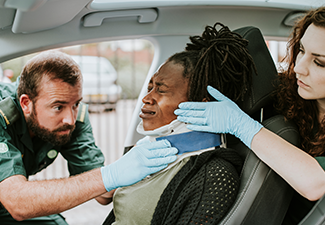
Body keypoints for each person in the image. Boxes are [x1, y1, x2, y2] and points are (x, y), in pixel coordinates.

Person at [175, 7, 325, 224]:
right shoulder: (284, 94)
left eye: (319, 62)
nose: (298, 68)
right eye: (301, 50)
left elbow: (317, 183)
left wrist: (242, 125)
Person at [103, 22, 255, 225]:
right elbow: (104, 196)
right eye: (150, 88)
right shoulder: (146, 149)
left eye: (161, 89)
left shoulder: (215, 174)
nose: (146, 98)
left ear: (200, 104)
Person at [0, 51, 177, 224]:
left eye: (76, 104)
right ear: (26, 103)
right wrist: (110, 175)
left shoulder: (73, 118)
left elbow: (103, 193)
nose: (70, 120)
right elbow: (18, 202)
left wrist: (143, 171)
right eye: (57, 107)